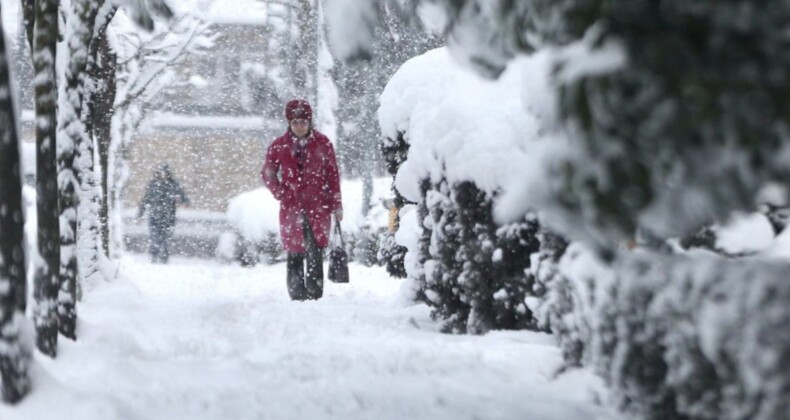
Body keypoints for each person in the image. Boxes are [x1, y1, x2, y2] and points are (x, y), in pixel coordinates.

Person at [261, 99, 342, 301]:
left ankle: (315, 294)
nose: (299, 126)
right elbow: (268, 174)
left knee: (315, 251)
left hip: (318, 206)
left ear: (310, 122)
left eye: (303, 122)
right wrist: (282, 193)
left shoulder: (323, 144)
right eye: (295, 122)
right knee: (295, 251)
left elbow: (333, 176)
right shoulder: (278, 146)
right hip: (291, 208)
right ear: (289, 123)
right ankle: (297, 295)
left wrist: (336, 204)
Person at [138, 163, 189, 263]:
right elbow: (145, 200)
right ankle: (154, 256)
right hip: (154, 215)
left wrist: (183, 201)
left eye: (164, 172)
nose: (162, 174)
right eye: (161, 172)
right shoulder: (153, 185)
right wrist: (140, 214)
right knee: (154, 237)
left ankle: (163, 257)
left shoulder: (173, 184)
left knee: (165, 238)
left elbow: (182, 196)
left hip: (168, 216)